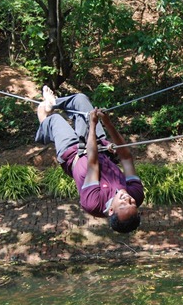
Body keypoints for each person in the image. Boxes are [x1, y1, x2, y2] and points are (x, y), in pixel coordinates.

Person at [34, 86, 144, 233]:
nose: (127, 198)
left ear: (111, 210)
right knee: (80, 99)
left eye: (123, 204)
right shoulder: (136, 194)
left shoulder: (93, 203)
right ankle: (53, 102)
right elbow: (126, 158)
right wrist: (108, 123)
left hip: (73, 153)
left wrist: (92, 124)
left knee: (53, 119)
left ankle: (44, 115)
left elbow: (92, 164)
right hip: (100, 149)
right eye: (132, 203)